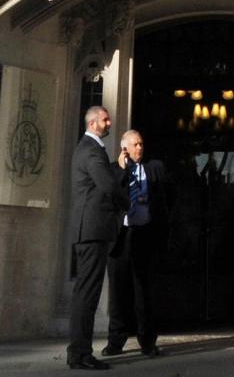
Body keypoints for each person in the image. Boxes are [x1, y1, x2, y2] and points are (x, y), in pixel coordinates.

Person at [65, 104, 125, 369]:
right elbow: (108, 185)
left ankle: (78, 352)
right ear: (92, 124)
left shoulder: (91, 149)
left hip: (90, 230)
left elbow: (102, 177)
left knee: (86, 293)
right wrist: (127, 202)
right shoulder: (90, 150)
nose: (109, 122)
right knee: (87, 295)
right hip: (92, 230)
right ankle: (80, 353)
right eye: (105, 119)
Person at [104, 129, 165, 358]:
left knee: (144, 291)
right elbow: (109, 195)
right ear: (124, 148)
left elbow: (167, 195)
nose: (140, 148)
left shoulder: (154, 168)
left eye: (141, 144)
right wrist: (121, 170)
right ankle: (116, 341)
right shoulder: (113, 170)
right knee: (118, 291)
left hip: (145, 234)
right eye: (135, 144)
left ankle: (147, 341)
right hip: (121, 236)